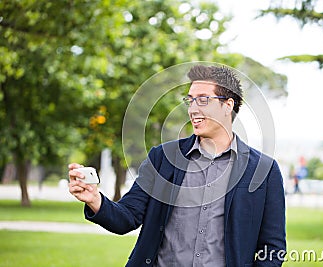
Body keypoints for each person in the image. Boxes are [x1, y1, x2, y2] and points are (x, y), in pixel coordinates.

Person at [68, 65, 286, 267]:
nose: (192, 109)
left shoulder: (263, 171)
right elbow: (127, 216)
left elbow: (273, 248)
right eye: (189, 100)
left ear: (227, 105)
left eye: (202, 100)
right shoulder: (163, 158)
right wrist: (95, 200)